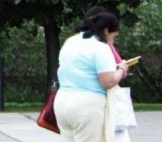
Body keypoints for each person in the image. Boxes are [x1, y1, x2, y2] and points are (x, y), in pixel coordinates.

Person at [54, 11, 129, 142]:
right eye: (113, 36)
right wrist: (122, 69)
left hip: (62, 102)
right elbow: (108, 81)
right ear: (106, 31)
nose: (112, 41)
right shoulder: (100, 48)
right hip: (87, 105)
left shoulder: (71, 41)